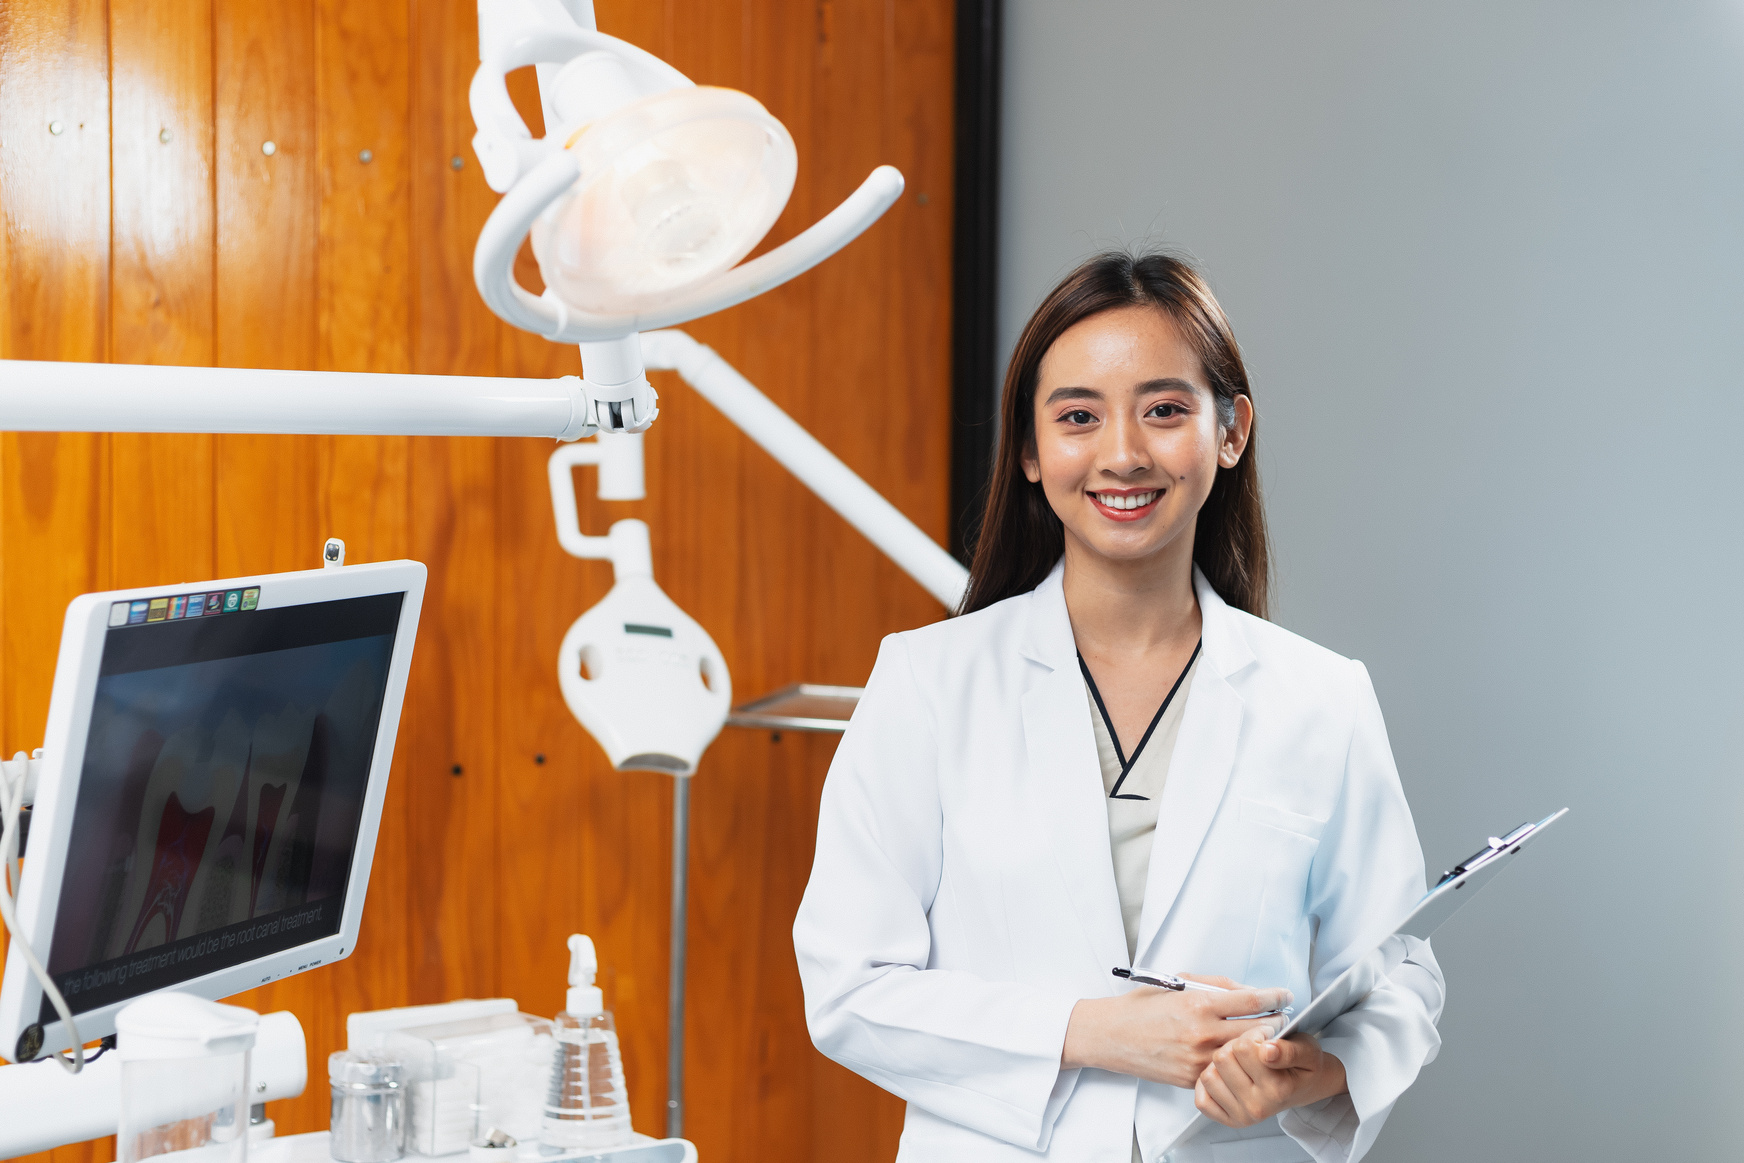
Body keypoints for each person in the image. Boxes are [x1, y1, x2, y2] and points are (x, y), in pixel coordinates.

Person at [793, 251, 1444, 1163]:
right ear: (1029, 450)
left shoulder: (1321, 698)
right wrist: (1094, 1031)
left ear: (1231, 430)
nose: (1123, 453)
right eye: (1078, 417)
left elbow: (1400, 969)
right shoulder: (927, 683)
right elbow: (848, 985)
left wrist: (1316, 1068)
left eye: (1165, 409)